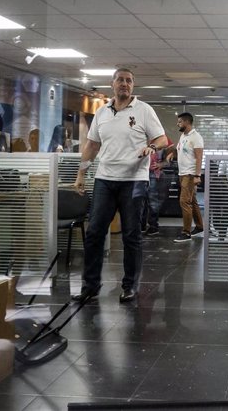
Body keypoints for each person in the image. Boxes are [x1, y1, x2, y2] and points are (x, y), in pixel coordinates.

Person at [72, 67, 168, 303]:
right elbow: (92, 146)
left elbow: (162, 139)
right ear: (112, 84)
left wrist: (152, 148)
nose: (125, 84)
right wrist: (80, 175)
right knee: (94, 232)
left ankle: (130, 286)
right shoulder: (102, 112)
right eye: (120, 80)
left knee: (131, 234)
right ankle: (90, 286)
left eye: (129, 80)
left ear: (133, 85)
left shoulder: (144, 110)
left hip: (134, 180)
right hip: (105, 179)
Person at [165, 112, 204, 242]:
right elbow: (179, 149)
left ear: (187, 122)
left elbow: (199, 157)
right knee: (192, 201)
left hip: (190, 174)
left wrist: (198, 175)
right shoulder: (183, 135)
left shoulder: (196, 137)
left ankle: (186, 232)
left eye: (180, 121)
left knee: (184, 202)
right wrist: (172, 154)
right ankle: (199, 227)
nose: (178, 124)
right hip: (182, 173)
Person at [140, 137, 172, 236]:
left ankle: (153, 227)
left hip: (153, 173)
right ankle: (141, 226)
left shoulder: (161, 138)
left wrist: (162, 164)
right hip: (140, 173)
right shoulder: (140, 136)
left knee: (153, 202)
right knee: (140, 200)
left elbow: (173, 150)